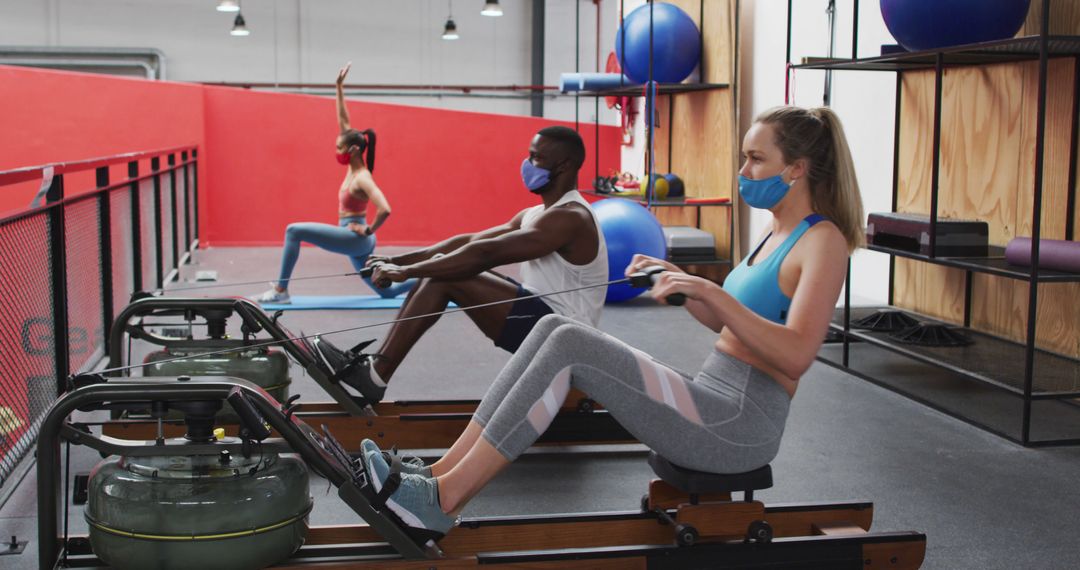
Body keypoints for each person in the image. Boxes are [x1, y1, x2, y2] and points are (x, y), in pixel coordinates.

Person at [355, 105, 867, 542]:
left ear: (797, 168)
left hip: (740, 425)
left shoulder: (823, 242)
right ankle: (437, 475)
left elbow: (798, 353)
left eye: (757, 159)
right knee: (552, 330)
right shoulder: (774, 232)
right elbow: (730, 325)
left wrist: (710, 289)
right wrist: (677, 282)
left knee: (572, 341)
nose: (745, 170)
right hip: (712, 396)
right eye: (745, 158)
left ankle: (442, 502)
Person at [341, 125, 607, 403]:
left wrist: (406, 271)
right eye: (529, 156)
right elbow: (469, 240)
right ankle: (375, 370)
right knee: (440, 271)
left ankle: (376, 372)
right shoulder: (536, 213)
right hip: (543, 318)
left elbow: (485, 254)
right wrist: (396, 260)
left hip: (566, 337)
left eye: (536, 158)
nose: (528, 165)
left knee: (448, 274)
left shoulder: (571, 216)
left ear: (564, 165)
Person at [255, 62, 415, 304]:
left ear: (352, 150)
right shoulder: (353, 164)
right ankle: (433, 277)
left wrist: (368, 230)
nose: (335, 151)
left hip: (354, 236)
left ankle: (281, 291)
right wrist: (338, 87)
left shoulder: (362, 177)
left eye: (338, 148)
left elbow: (385, 208)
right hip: (352, 237)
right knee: (387, 292)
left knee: (294, 230)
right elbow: (343, 119)